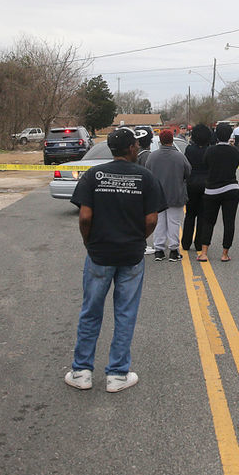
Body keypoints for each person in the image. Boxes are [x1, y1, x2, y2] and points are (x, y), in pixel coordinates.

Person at [65, 128, 166, 393]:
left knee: (90, 312)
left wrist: (89, 242)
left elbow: (85, 216)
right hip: (131, 255)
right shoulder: (145, 177)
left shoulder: (93, 176)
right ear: (132, 147)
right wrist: (136, 239)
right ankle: (117, 374)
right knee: (125, 313)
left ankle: (81, 372)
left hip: (100, 254)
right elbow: (152, 219)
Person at [198, 124, 239, 263]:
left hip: (212, 189)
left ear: (216, 135)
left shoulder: (210, 151)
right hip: (231, 188)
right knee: (229, 222)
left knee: (209, 221)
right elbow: (235, 166)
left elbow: (205, 165)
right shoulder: (234, 151)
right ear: (230, 136)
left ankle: (204, 253)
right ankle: (224, 253)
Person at [147, 130, 191, 262]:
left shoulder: (152, 157)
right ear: (172, 139)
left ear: (160, 140)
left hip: (157, 195)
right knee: (174, 222)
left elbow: (147, 173)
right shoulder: (179, 156)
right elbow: (188, 172)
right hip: (175, 193)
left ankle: (159, 249)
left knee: (159, 222)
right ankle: (173, 250)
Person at [182, 124, 210, 252]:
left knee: (190, 214)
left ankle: (186, 242)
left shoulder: (189, 149)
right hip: (206, 184)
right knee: (203, 215)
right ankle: (199, 243)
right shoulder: (209, 150)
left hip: (191, 183)